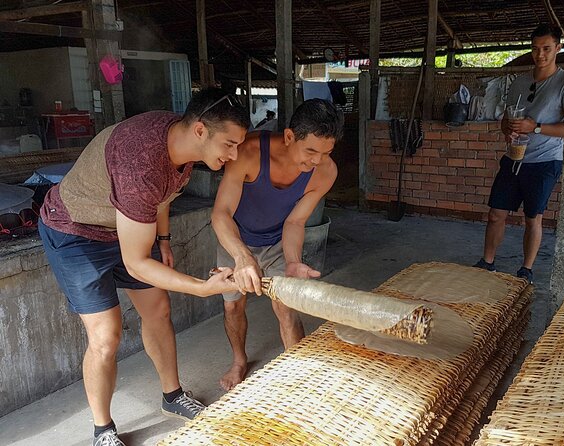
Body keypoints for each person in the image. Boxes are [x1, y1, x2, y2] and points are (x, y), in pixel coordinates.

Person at [38, 88, 249, 446]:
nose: (234, 155)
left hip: (129, 224)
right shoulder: (140, 160)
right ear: (200, 130)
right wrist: (201, 287)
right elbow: (136, 263)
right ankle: (102, 429)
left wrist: (163, 239)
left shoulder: (179, 142)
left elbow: (161, 195)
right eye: (229, 144)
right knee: (106, 336)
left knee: (159, 311)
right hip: (76, 231)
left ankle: (172, 396)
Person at [211, 99, 344, 391]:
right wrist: (242, 257)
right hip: (235, 237)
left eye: (326, 152)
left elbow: (295, 222)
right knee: (233, 307)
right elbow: (220, 214)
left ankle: (298, 371)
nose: (316, 161)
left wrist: (293, 260)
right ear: (288, 137)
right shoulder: (248, 153)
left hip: (277, 240)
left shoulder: (325, 172)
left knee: (286, 305)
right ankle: (238, 362)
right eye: (310, 150)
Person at [473, 24, 564, 284]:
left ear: (558, 49)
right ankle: (487, 262)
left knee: (532, 218)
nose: (540, 55)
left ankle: (526, 269)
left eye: (547, 49)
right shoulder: (520, 82)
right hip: (514, 158)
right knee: (496, 213)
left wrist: (536, 127)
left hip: (544, 161)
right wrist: (508, 129)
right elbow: (508, 118)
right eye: (536, 49)